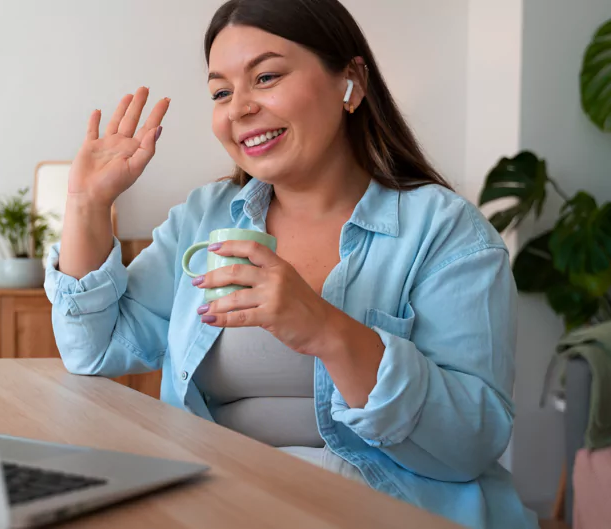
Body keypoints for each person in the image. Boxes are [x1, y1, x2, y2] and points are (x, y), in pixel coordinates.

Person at [43, 0, 537, 527]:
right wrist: (86, 206)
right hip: (219, 504)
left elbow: (473, 442)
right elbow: (93, 349)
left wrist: (324, 327)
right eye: (221, 92)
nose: (239, 109)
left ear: (352, 81)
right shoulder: (204, 219)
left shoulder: (445, 233)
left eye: (266, 76)